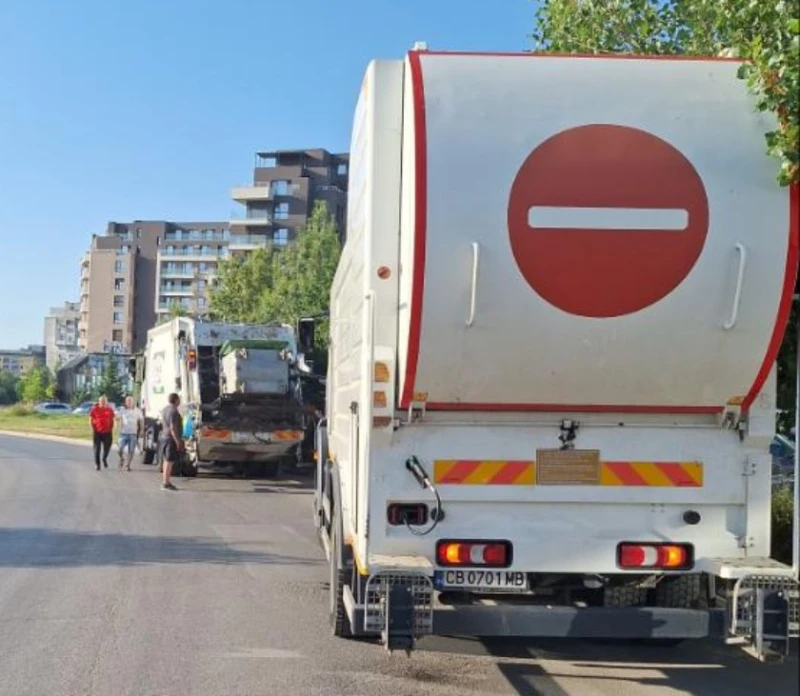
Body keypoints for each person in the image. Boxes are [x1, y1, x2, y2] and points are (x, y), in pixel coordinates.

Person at [159, 392, 183, 491]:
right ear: (176, 400)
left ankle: (166, 481)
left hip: (164, 436)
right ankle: (165, 483)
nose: (180, 401)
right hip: (170, 439)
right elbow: (173, 427)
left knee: (166, 460)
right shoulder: (173, 411)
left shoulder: (165, 409)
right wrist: (177, 441)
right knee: (169, 461)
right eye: (179, 399)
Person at [116, 396, 143, 471]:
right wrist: (117, 426)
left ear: (133, 402)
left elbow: (141, 420)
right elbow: (117, 418)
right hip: (123, 433)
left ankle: (128, 465)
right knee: (119, 450)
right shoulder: (122, 410)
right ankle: (121, 458)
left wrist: (141, 430)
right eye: (128, 401)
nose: (129, 402)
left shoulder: (137, 410)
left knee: (131, 450)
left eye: (131, 401)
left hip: (133, 434)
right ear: (125, 402)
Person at [89, 396, 115, 470]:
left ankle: (104, 458)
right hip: (97, 432)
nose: (103, 402)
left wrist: (113, 427)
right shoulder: (94, 409)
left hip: (108, 432)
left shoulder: (110, 410)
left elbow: (113, 419)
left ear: (107, 402)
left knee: (107, 448)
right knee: (97, 449)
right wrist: (92, 429)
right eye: (102, 401)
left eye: (105, 401)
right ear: (99, 402)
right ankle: (97, 464)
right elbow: (90, 419)